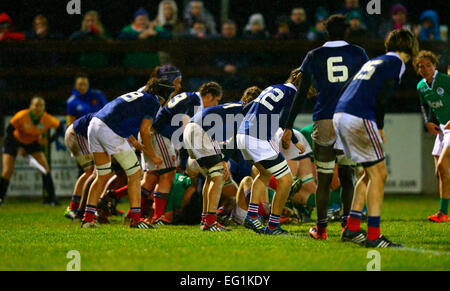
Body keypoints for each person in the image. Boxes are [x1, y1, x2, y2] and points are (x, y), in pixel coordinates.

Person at [282, 15, 369, 240]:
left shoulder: (314, 55)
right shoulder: (358, 53)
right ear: (346, 32)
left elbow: (302, 92)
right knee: (348, 175)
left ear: (326, 32)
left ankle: (320, 230)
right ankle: (346, 227)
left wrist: (289, 124)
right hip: (350, 118)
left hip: (325, 118)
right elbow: (368, 87)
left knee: (324, 178)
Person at [333, 28, 419, 248]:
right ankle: (373, 235)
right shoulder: (397, 62)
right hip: (358, 116)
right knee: (380, 174)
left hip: (341, 113)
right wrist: (379, 126)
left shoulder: (375, 61)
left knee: (370, 174)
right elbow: (383, 95)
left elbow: (347, 86)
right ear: (410, 47)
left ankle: (351, 228)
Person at [81, 77, 175, 228]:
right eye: (170, 95)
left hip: (95, 124)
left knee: (102, 174)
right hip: (109, 129)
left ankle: (88, 218)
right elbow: (145, 131)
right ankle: (136, 219)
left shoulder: (140, 96)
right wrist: (153, 155)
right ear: (164, 93)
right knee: (135, 173)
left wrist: (133, 142)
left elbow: (119, 116)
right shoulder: (153, 102)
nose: (170, 99)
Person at [236, 69, 304, 235]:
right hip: (257, 138)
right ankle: (273, 225)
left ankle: (252, 216)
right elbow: (284, 120)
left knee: (265, 173)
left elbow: (248, 108)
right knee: (286, 181)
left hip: (243, 134)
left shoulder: (274, 87)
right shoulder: (293, 93)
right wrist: (291, 138)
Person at [184, 85, 259, 231]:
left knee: (211, 177)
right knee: (218, 176)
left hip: (191, 128)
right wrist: (224, 160)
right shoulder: (248, 110)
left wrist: (223, 156)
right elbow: (236, 138)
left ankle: (206, 219)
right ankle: (210, 221)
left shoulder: (237, 106)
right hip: (199, 130)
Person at [150, 82, 223, 226]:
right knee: (168, 177)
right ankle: (161, 216)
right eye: (216, 100)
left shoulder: (191, 98)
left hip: (161, 135)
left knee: (159, 176)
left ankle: (157, 215)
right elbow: (185, 131)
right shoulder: (194, 102)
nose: (216, 104)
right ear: (209, 96)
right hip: (162, 136)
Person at [0, 97, 63, 206]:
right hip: (13, 141)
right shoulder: (21, 116)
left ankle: (52, 199)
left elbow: (60, 129)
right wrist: (18, 148)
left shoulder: (47, 119)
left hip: (32, 142)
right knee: (7, 171)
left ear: (44, 108)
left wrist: (48, 141)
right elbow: (9, 131)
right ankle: (0, 198)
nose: (38, 108)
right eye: (36, 105)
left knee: (45, 169)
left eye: (41, 105)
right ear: (31, 106)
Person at [414, 50, 450, 222]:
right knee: (439, 173)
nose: (425, 69)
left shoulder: (445, 80)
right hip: (442, 129)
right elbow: (424, 106)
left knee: (443, 166)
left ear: (435, 65)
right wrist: (428, 121)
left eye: (428, 65)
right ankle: (443, 213)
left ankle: (444, 213)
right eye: (421, 66)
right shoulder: (420, 86)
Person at [64, 113, 95, 220]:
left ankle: (79, 207)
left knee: (93, 172)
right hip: (76, 134)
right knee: (90, 172)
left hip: (79, 134)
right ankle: (74, 208)